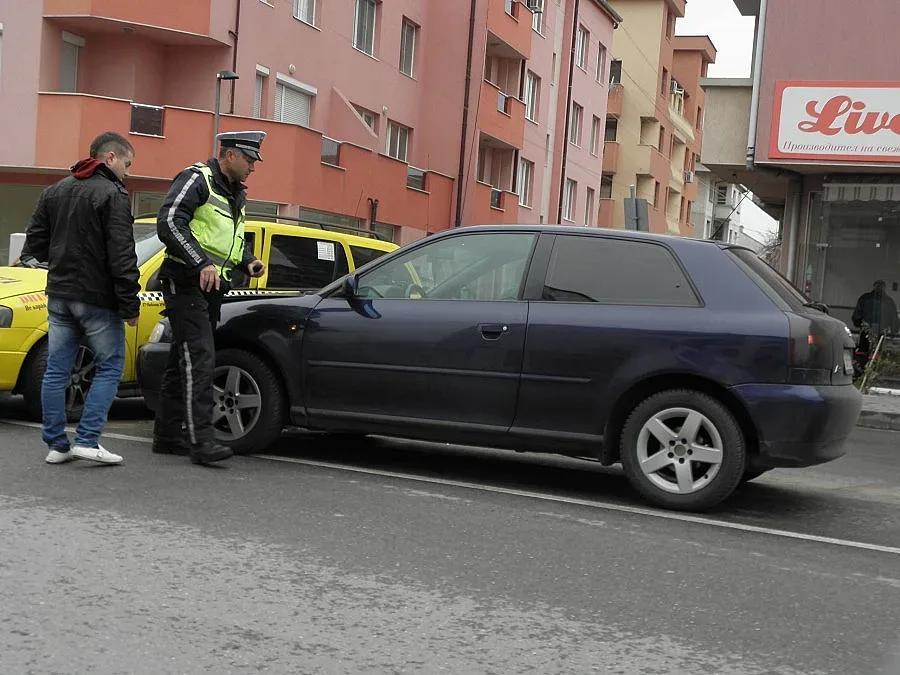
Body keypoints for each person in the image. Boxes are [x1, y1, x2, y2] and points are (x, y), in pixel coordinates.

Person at [21, 131, 140, 465]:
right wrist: (130, 304)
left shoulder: (55, 190)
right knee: (111, 365)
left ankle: (57, 445)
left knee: (56, 370)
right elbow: (122, 255)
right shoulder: (113, 195)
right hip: (97, 298)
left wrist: (60, 259)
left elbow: (35, 243)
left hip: (59, 293)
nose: (128, 173)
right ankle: (87, 439)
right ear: (111, 158)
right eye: (127, 164)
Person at [152, 131, 267, 465]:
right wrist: (199, 261)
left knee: (182, 360)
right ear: (229, 155)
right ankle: (201, 441)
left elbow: (230, 239)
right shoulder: (196, 178)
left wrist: (248, 260)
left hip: (213, 288)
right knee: (200, 359)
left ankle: (168, 434)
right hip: (186, 282)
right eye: (249, 160)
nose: (253, 168)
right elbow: (170, 222)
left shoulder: (236, 193)